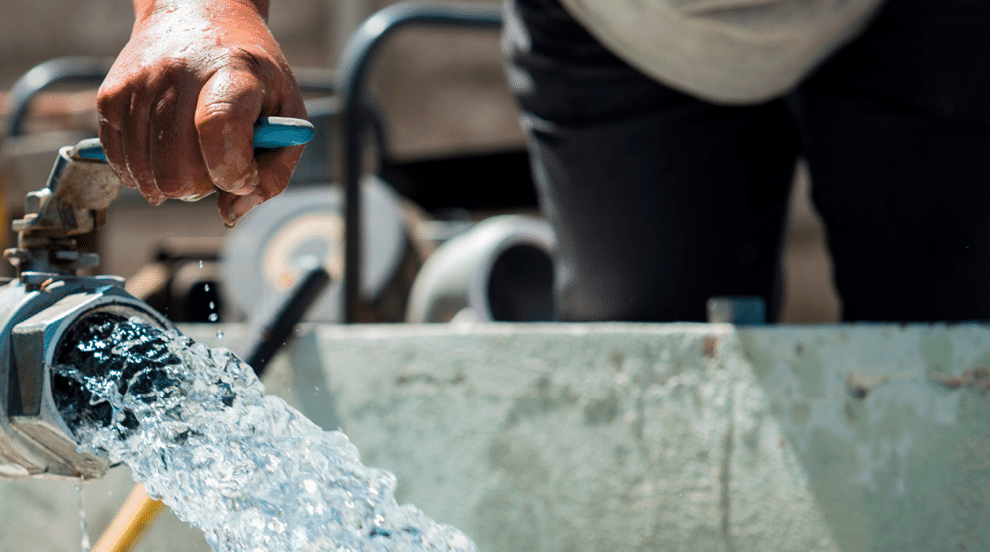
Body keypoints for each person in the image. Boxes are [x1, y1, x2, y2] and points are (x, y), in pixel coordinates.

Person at [97, 0, 990, 322]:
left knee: (957, 346)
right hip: (619, 28)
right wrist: (197, 8)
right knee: (644, 363)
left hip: (919, 20)